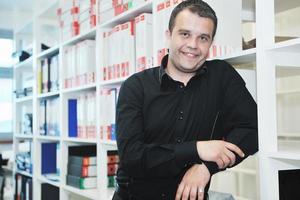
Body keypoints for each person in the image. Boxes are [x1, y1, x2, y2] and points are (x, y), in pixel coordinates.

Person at [113, 0, 258, 199]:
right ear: (168, 36)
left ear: (210, 44)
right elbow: (132, 157)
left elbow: (252, 129)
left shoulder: (222, 77)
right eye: (185, 34)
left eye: (203, 38)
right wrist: (197, 148)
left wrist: (206, 167)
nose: (193, 45)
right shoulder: (136, 86)